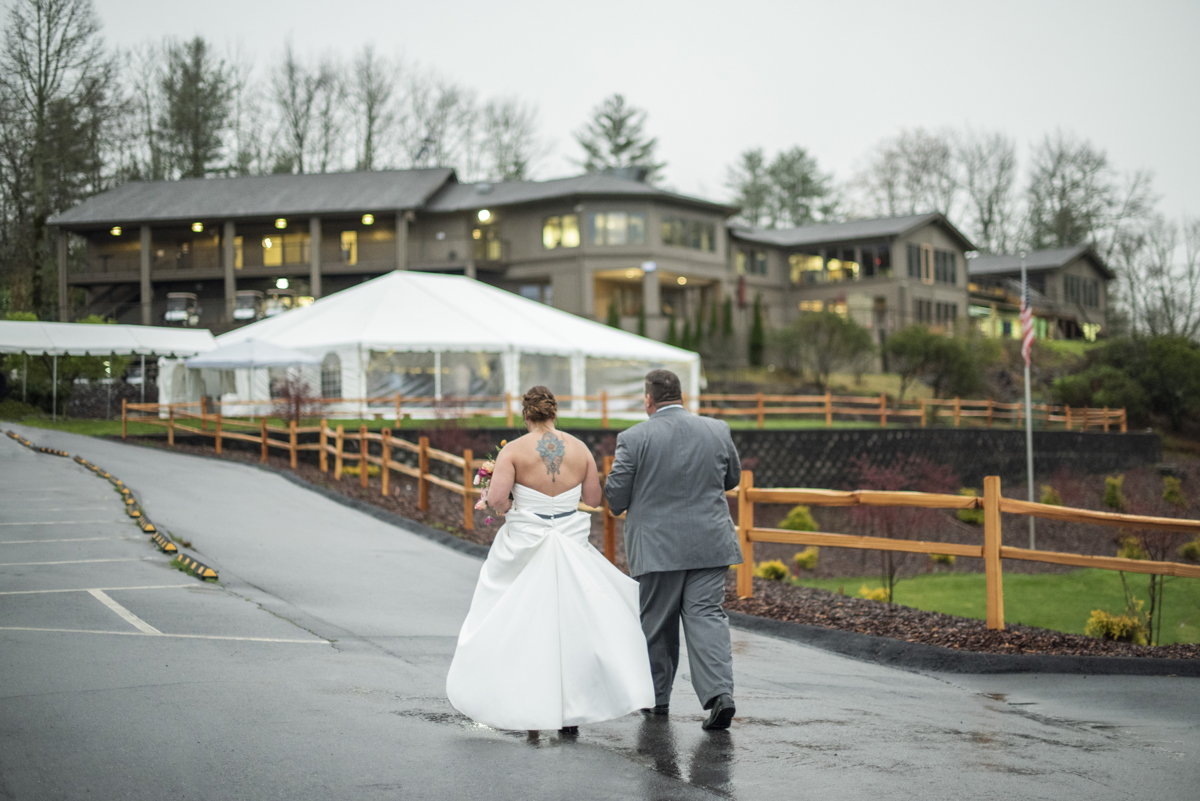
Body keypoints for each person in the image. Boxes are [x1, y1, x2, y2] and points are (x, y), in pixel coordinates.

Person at [446, 386, 654, 734]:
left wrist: (511, 502)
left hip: (526, 545)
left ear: (526, 415)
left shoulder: (514, 451)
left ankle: (529, 711)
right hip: (570, 545)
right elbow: (592, 497)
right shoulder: (580, 449)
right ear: (555, 413)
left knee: (521, 626)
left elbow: (497, 501)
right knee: (571, 629)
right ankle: (570, 715)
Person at [604, 369, 742, 730]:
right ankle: (720, 696)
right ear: (681, 396)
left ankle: (657, 699)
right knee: (707, 616)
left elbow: (615, 500)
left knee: (658, 622)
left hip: (656, 546)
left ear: (649, 400)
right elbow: (732, 479)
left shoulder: (633, 439)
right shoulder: (717, 430)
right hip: (711, 542)